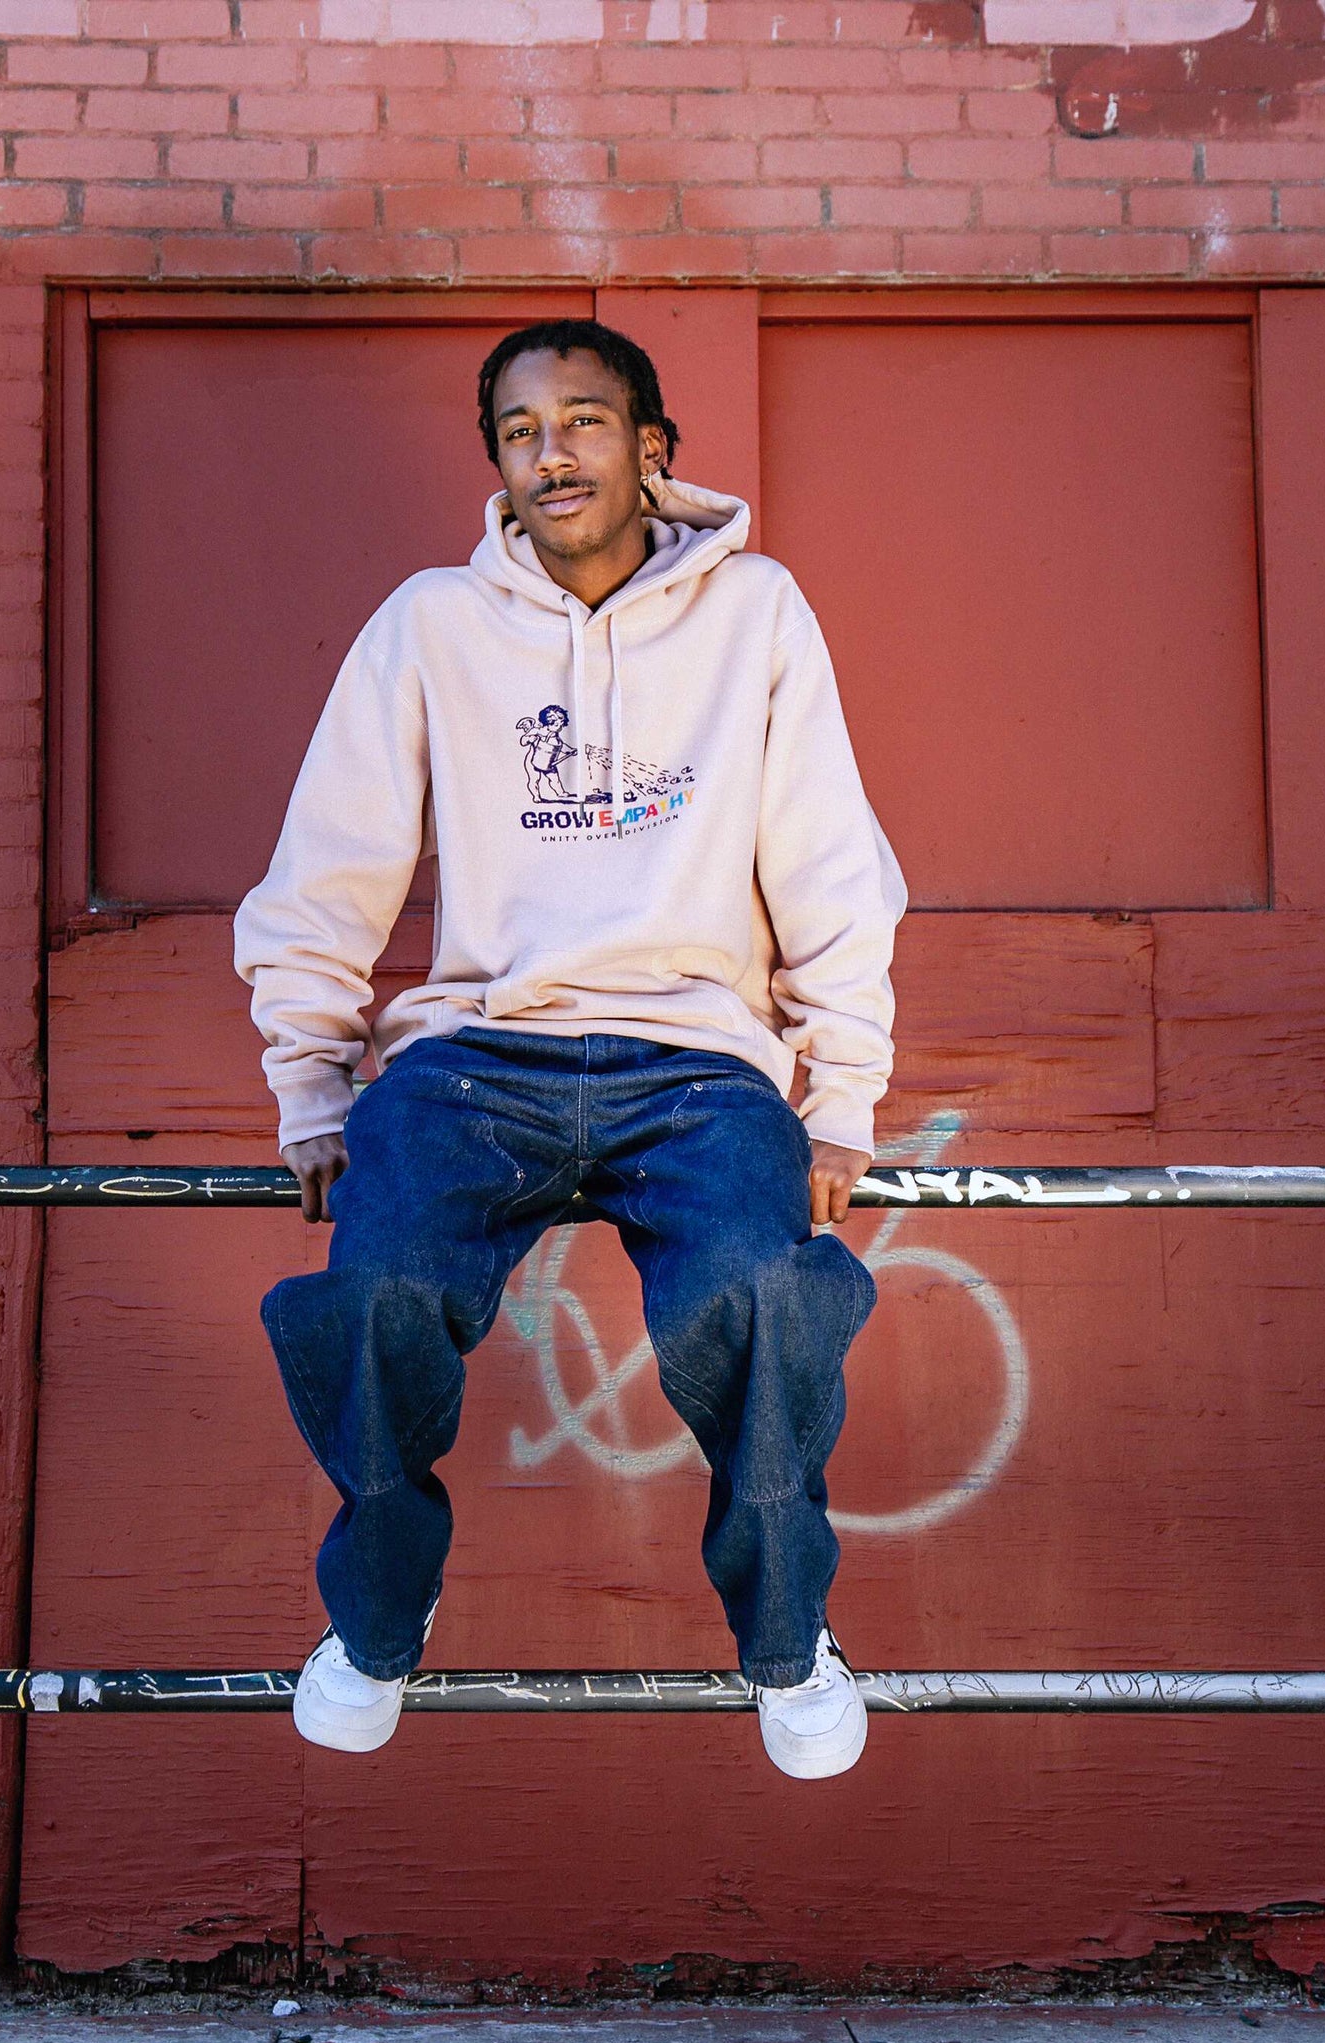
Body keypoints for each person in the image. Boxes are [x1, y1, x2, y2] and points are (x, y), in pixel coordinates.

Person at [232, 318, 908, 1780]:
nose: (555, 453)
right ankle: (378, 1619)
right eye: (523, 431)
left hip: (698, 1065)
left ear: (651, 448)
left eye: (586, 422)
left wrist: (843, 1088)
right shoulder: (428, 626)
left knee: (765, 1300)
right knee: (376, 1293)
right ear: (498, 466)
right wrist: (309, 1083)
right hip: (478, 1061)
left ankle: (789, 1641)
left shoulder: (759, 616)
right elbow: (328, 868)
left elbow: (830, 866)